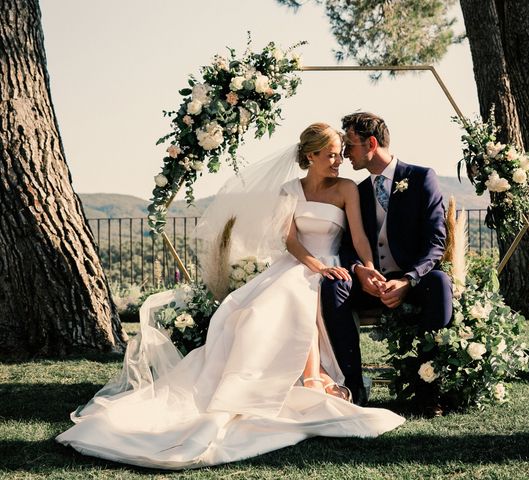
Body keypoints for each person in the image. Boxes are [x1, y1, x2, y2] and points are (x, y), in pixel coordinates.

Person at [55, 123, 403, 470]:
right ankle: (254, 381)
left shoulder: (346, 189)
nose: (338, 161)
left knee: (295, 298)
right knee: (256, 308)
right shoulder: (288, 190)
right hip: (300, 263)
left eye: (340, 154)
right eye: (330, 155)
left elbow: (358, 238)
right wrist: (315, 267)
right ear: (310, 156)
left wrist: (366, 266)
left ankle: (310, 376)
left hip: (331, 265)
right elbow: (291, 242)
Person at [321, 112, 453, 410]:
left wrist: (408, 280)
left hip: (412, 280)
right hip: (370, 283)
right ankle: (353, 386)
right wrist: (359, 272)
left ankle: (428, 388)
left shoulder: (421, 178)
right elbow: (346, 245)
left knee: (440, 283)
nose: (345, 154)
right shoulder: (358, 191)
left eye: (350, 146)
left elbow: (436, 243)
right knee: (334, 286)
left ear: (371, 143)